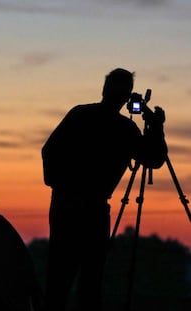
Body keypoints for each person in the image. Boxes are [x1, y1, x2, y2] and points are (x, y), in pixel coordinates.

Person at [41, 68, 167, 311]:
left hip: (65, 206)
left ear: (104, 89)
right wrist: (156, 127)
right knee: (91, 280)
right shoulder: (126, 130)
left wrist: (61, 185)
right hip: (94, 210)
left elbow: (49, 151)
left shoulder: (80, 114)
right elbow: (154, 159)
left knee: (59, 276)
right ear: (128, 97)